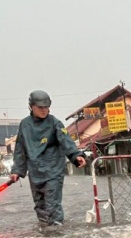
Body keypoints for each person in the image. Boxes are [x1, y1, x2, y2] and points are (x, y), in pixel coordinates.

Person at [10, 90, 86, 226]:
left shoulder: (54, 123)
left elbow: (66, 140)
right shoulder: (25, 125)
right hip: (35, 172)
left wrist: (76, 155)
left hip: (53, 171)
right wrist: (17, 170)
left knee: (52, 206)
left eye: (46, 107)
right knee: (40, 207)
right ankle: (46, 237)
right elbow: (20, 149)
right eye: (40, 107)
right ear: (31, 106)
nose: (44, 110)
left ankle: (58, 237)